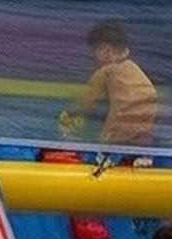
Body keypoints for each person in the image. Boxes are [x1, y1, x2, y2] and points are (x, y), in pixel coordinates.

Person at [54, 19, 159, 152]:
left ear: (106, 51)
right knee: (140, 136)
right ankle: (143, 156)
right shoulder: (133, 67)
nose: (94, 55)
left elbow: (87, 99)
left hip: (123, 112)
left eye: (96, 50)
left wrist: (71, 113)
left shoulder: (106, 72)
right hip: (149, 110)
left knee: (107, 140)